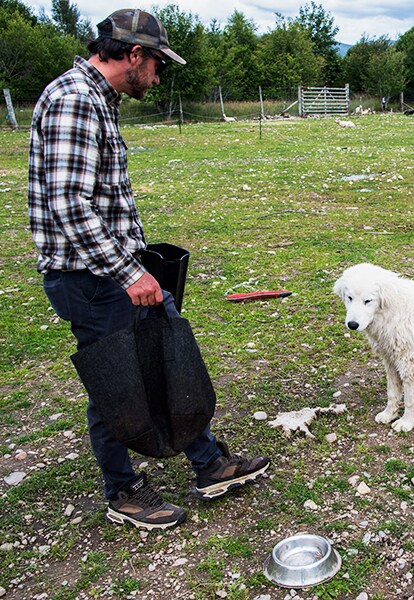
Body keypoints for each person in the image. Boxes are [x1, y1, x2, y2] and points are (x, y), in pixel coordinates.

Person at [28, 8, 270, 531]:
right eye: (157, 62)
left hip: (112, 271)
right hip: (92, 279)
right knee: (116, 382)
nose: (158, 75)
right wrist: (129, 273)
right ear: (133, 54)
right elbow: (70, 204)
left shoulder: (96, 99)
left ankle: (208, 464)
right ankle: (124, 491)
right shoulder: (74, 100)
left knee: (164, 357)